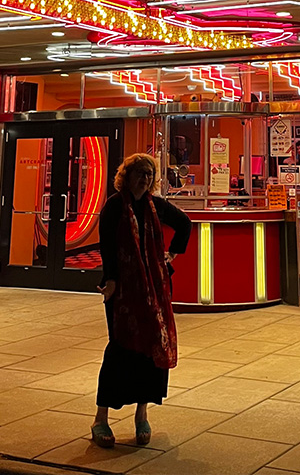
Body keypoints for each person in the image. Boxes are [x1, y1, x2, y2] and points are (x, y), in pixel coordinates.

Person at [91, 153, 191, 448]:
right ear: (127, 176)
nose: (145, 179)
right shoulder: (113, 206)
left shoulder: (155, 205)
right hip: (122, 290)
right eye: (139, 173)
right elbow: (107, 246)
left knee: (150, 349)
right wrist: (109, 280)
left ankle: (142, 414)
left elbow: (184, 223)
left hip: (155, 288)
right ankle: (101, 418)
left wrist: (171, 255)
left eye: (149, 174)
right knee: (120, 349)